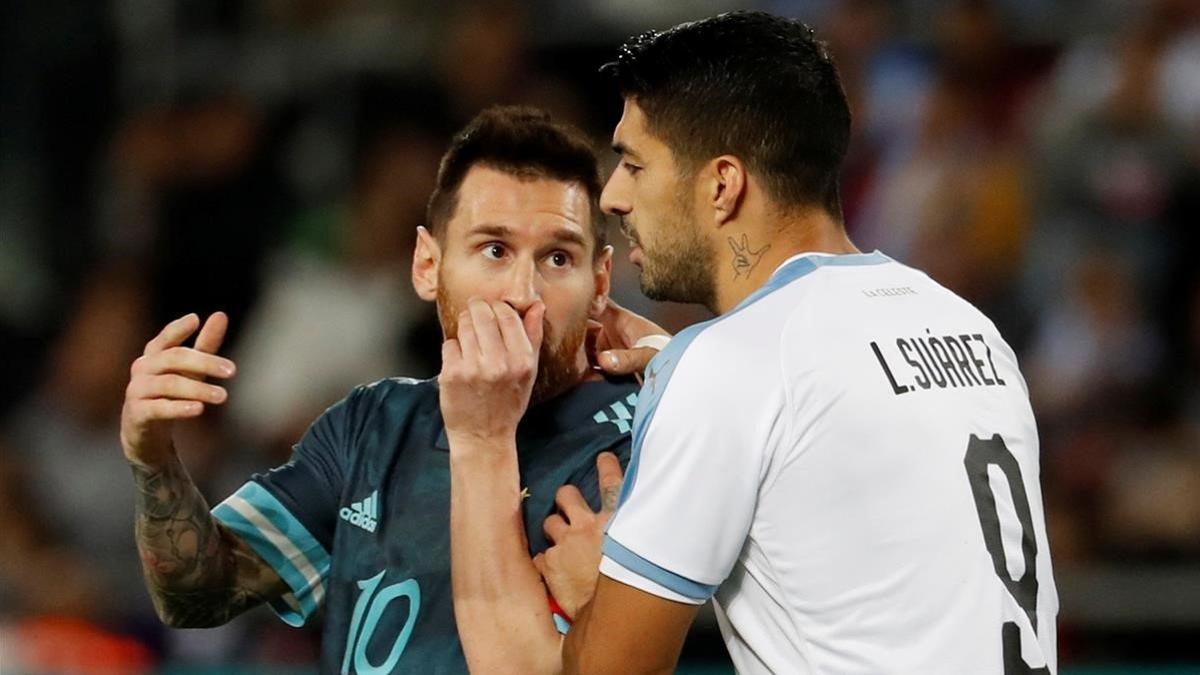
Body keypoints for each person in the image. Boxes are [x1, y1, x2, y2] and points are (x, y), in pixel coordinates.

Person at [537, 12, 1057, 674]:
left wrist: (593, 591)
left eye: (635, 164)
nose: (611, 195)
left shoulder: (729, 368)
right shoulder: (968, 326)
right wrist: (685, 368)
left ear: (722, 185)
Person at [118, 106, 639, 673]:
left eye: (558, 258)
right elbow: (198, 594)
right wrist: (153, 459)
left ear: (600, 284)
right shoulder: (371, 424)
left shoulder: (642, 445)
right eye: (494, 250)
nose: (522, 292)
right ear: (427, 265)